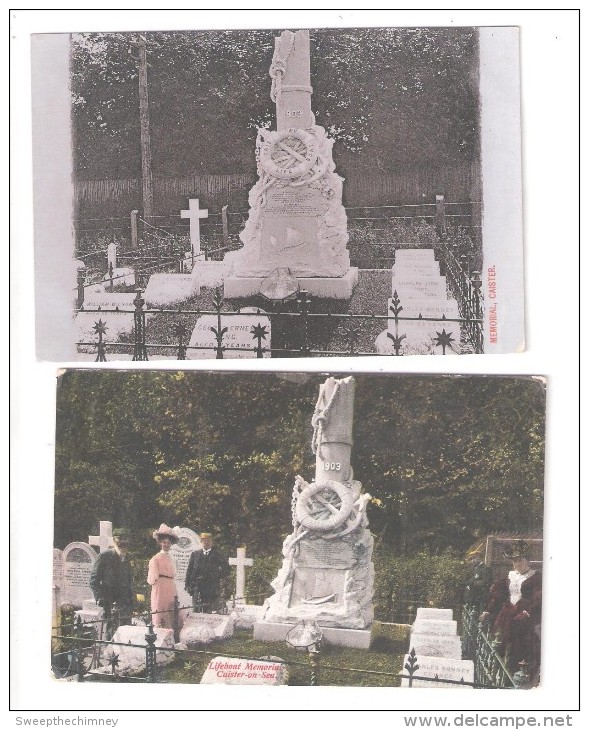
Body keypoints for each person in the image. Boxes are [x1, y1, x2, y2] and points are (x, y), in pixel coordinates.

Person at [479, 543, 542, 678]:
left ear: (527, 561)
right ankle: (498, 674)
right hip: (507, 613)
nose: (518, 564)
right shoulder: (510, 576)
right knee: (500, 641)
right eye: (515, 561)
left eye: (520, 560)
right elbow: (498, 596)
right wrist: (487, 611)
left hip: (525, 615)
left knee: (519, 646)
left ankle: (515, 675)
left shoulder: (536, 577)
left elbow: (539, 598)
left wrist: (527, 611)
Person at [89, 526, 134, 638]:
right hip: (109, 600)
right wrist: (100, 598)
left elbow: (129, 580)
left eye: (126, 542)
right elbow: (93, 580)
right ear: (114, 540)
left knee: (125, 632)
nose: (123, 544)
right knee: (111, 631)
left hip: (125, 602)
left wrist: (131, 598)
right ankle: (110, 652)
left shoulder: (128, 558)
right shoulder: (105, 556)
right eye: (120, 540)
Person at [147, 524, 182, 630]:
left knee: (171, 609)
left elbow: (175, 572)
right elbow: (152, 579)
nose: (166, 545)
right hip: (160, 587)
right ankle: (159, 632)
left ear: (171, 544)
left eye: (168, 543)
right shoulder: (155, 559)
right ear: (160, 543)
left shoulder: (173, 558)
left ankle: (172, 633)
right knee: (160, 609)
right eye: (164, 542)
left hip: (170, 586)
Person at [185, 532, 229, 613]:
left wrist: (217, 577)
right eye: (204, 540)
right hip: (197, 587)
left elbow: (226, 569)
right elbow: (189, 571)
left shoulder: (217, 554)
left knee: (209, 611)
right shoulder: (195, 555)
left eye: (208, 540)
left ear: (212, 542)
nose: (206, 542)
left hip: (211, 588)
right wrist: (188, 585)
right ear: (201, 542)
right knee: (196, 610)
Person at [463, 543, 494, 613]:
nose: (472, 560)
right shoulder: (471, 569)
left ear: (480, 558)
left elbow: (487, 583)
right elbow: (466, 582)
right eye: (471, 559)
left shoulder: (485, 569)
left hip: (480, 600)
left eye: (474, 558)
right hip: (470, 600)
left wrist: (473, 584)